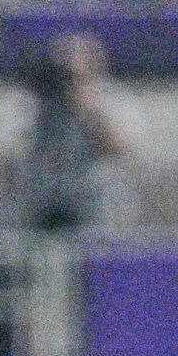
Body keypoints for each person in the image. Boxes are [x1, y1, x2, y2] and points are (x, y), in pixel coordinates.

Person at [13, 31, 140, 234]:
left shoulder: (112, 98)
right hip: (45, 198)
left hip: (95, 200)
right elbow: (18, 147)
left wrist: (88, 109)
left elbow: (120, 150)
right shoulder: (36, 101)